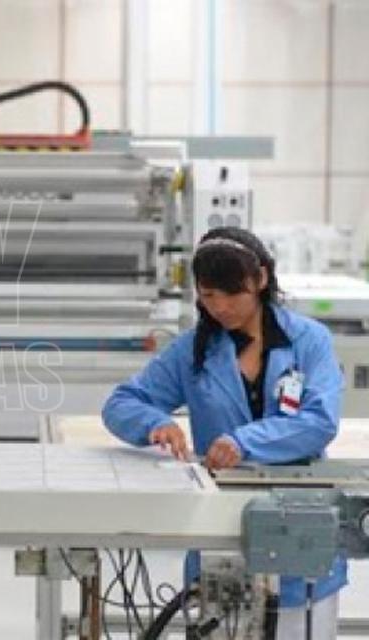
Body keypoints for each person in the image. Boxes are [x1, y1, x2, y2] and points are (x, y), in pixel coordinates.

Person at [102, 226, 345, 639]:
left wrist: (243, 441)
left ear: (261, 279)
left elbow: (318, 421)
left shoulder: (309, 341)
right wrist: (156, 423)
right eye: (209, 296)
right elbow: (121, 403)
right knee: (222, 616)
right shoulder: (193, 351)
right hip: (221, 525)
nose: (221, 307)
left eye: (233, 294)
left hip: (300, 523)